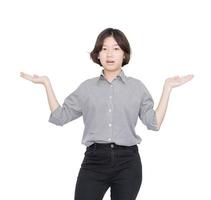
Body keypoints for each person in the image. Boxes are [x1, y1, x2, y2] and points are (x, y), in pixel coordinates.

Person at [20, 27, 193, 200]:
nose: (110, 54)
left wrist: (167, 88)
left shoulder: (137, 87)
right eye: (104, 48)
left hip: (128, 163)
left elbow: (154, 123)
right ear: (98, 55)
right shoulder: (87, 88)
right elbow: (60, 117)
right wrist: (46, 84)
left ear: (124, 54)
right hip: (94, 161)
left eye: (116, 48)